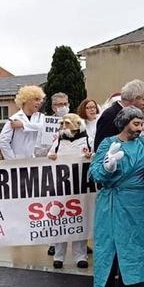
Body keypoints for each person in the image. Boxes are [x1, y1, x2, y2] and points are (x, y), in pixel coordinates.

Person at [89, 106, 144, 287]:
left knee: (134, 241)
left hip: (137, 202)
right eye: (136, 123)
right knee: (109, 241)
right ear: (124, 123)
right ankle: (106, 279)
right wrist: (108, 168)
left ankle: (131, 280)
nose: (140, 128)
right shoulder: (108, 144)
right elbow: (95, 173)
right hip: (112, 201)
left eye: (141, 124)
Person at [47, 113, 93, 269]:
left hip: (80, 188)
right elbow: (49, 156)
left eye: (67, 123)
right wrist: (51, 157)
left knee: (79, 221)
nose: (64, 126)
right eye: (62, 123)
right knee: (61, 221)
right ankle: (58, 256)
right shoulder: (59, 141)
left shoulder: (87, 140)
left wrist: (89, 156)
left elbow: (94, 156)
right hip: (62, 189)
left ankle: (80, 256)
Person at [94, 79, 144, 152]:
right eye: (143, 99)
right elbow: (100, 147)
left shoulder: (132, 115)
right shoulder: (110, 115)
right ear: (134, 98)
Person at [0, 85, 46, 160]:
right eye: (36, 99)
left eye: (40, 100)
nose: (40, 103)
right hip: (19, 163)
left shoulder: (41, 117)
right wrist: (12, 160)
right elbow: (3, 141)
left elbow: (42, 128)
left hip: (38, 161)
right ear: (26, 100)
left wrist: (23, 125)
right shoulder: (14, 118)